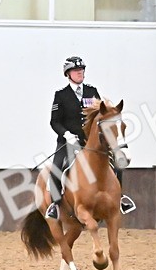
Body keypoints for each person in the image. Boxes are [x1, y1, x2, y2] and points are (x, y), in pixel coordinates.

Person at [45, 55, 135, 220]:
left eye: (82, 70)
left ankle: (119, 198)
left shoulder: (92, 91)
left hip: (91, 142)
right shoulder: (61, 95)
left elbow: (101, 114)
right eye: (76, 70)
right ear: (68, 74)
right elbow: (54, 121)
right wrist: (66, 135)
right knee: (56, 169)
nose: (80, 73)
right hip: (68, 142)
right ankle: (55, 205)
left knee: (117, 162)